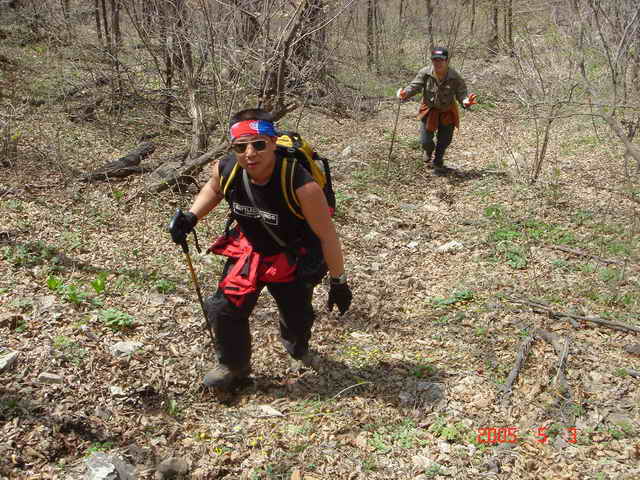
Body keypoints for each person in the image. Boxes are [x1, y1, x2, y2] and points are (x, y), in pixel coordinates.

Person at [168, 108, 353, 391]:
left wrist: (338, 281)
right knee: (224, 309)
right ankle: (233, 366)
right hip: (250, 248)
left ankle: (297, 347)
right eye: (240, 147)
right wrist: (192, 216)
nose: (250, 153)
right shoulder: (227, 168)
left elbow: (327, 236)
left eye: (258, 144)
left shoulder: (301, 185)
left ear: (273, 142)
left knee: (297, 316)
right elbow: (214, 189)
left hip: (294, 254)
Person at [397, 47, 477, 175]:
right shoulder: (425, 73)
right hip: (429, 110)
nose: (438, 63)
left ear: (446, 61)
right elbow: (414, 86)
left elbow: (462, 93)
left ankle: (438, 160)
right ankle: (428, 151)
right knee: (425, 141)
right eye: (435, 60)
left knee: (445, 140)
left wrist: (465, 101)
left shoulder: (454, 76)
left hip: (447, 112)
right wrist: (404, 93)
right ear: (432, 60)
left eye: (441, 60)